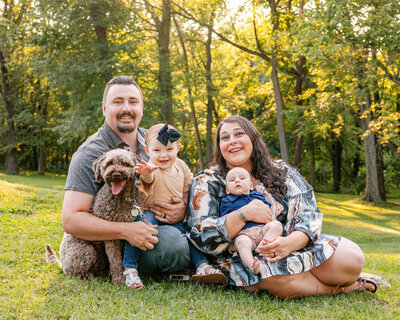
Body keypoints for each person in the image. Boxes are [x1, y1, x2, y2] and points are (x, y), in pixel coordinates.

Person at [186, 115, 389, 298]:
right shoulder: (207, 181)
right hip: (244, 255)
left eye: (239, 134)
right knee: (278, 278)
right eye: (225, 137)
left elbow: (309, 214)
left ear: (253, 139)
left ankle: (317, 275)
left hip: (290, 245)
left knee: (351, 258)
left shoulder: (282, 172)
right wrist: (243, 214)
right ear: (219, 146)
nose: (232, 141)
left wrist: (289, 243)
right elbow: (200, 235)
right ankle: (345, 288)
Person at [62, 76, 191, 283]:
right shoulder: (88, 154)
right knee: (173, 245)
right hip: (108, 242)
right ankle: (129, 268)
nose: (126, 108)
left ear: (141, 107)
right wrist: (126, 231)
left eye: (133, 101)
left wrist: (182, 208)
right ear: (105, 108)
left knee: (184, 241)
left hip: (152, 223)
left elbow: (178, 177)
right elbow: (71, 220)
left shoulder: (155, 141)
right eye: (118, 101)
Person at [123, 123, 225, 288]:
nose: (163, 155)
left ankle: (202, 266)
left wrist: (184, 206)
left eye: (169, 149)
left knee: (190, 232)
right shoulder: (150, 168)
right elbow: (148, 180)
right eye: (157, 151)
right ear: (147, 150)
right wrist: (147, 173)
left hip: (175, 216)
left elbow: (186, 190)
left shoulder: (181, 166)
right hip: (150, 212)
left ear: (178, 147)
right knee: (140, 229)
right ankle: (130, 268)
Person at [220, 167, 282, 274]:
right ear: (227, 189)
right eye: (232, 180)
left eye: (242, 178)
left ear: (251, 186)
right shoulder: (226, 202)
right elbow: (225, 222)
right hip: (244, 234)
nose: (237, 181)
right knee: (242, 243)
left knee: (276, 225)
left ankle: (264, 248)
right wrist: (232, 242)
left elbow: (268, 212)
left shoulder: (258, 196)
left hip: (262, 230)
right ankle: (252, 264)